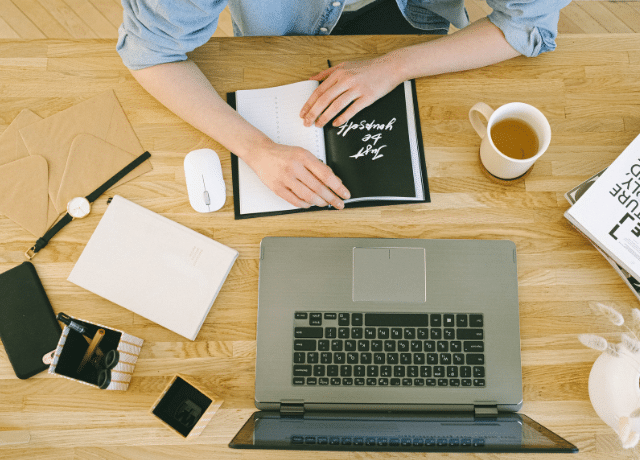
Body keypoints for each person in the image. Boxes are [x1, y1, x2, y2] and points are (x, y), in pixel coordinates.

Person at [117, 0, 569, 210]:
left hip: (416, 24)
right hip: (276, 37)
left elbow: (528, 22)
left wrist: (395, 66)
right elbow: (151, 53)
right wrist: (256, 149)